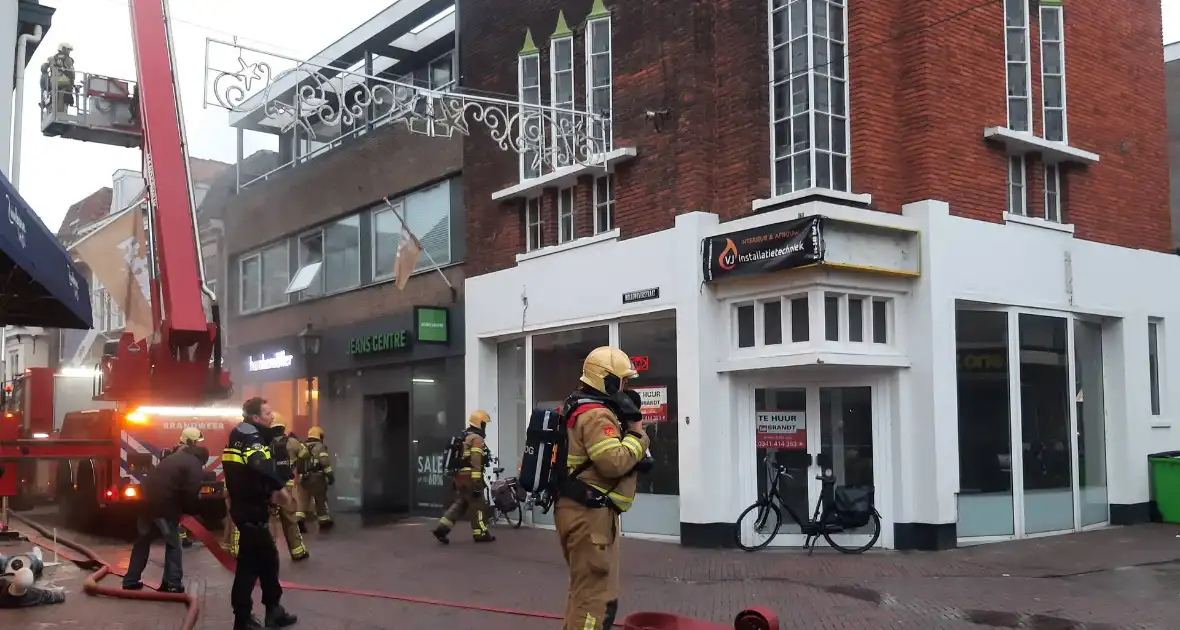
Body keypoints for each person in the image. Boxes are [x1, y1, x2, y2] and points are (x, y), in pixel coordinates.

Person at [556, 346, 651, 630]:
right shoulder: (597, 415)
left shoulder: (577, 406)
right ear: (607, 381)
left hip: (582, 512)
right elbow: (614, 462)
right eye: (623, 381)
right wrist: (636, 432)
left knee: (586, 594)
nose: (626, 388)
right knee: (593, 601)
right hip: (589, 517)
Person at [223, 397, 298, 630]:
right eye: (267, 413)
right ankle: (245, 618)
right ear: (255, 418)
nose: (271, 416)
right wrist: (279, 489)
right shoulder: (252, 438)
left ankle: (271, 611)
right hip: (251, 511)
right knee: (251, 565)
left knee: (266, 560)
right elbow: (259, 465)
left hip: (247, 508)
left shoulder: (241, 435)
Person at [122, 431, 209, 594]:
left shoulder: (173, 459)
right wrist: (192, 512)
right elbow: (191, 491)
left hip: (146, 501)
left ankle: (130, 580)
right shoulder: (194, 464)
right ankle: (173, 583)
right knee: (174, 544)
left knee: (143, 541)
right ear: (202, 458)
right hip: (164, 506)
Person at [432, 410, 495, 544]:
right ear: (480, 423)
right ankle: (481, 533)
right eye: (484, 424)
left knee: (461, 504)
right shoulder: (476, 439)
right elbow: (476, 460)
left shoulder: (464, 436)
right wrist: (477, 482)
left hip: (460, 477)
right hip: (470, 478)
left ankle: (442, 528)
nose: (485, 427)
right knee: (478, 505)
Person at [268, 414, 309, 561]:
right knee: (290, 520)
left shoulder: (265, 443)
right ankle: (298, 551)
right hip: (287, 487)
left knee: (270, 521)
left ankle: (269, 554)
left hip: (270, 487)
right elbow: (305, 454)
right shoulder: (291, 442)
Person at [298, 426, 334, 531]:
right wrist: (330, 475)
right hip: (317, 478)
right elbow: (324, 462)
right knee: (320, 500)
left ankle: (299, 522)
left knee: (303, 501)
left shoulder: (302, 446)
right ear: (320, 436)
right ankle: (324, 522)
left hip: (303, 478)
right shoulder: (320, 447)